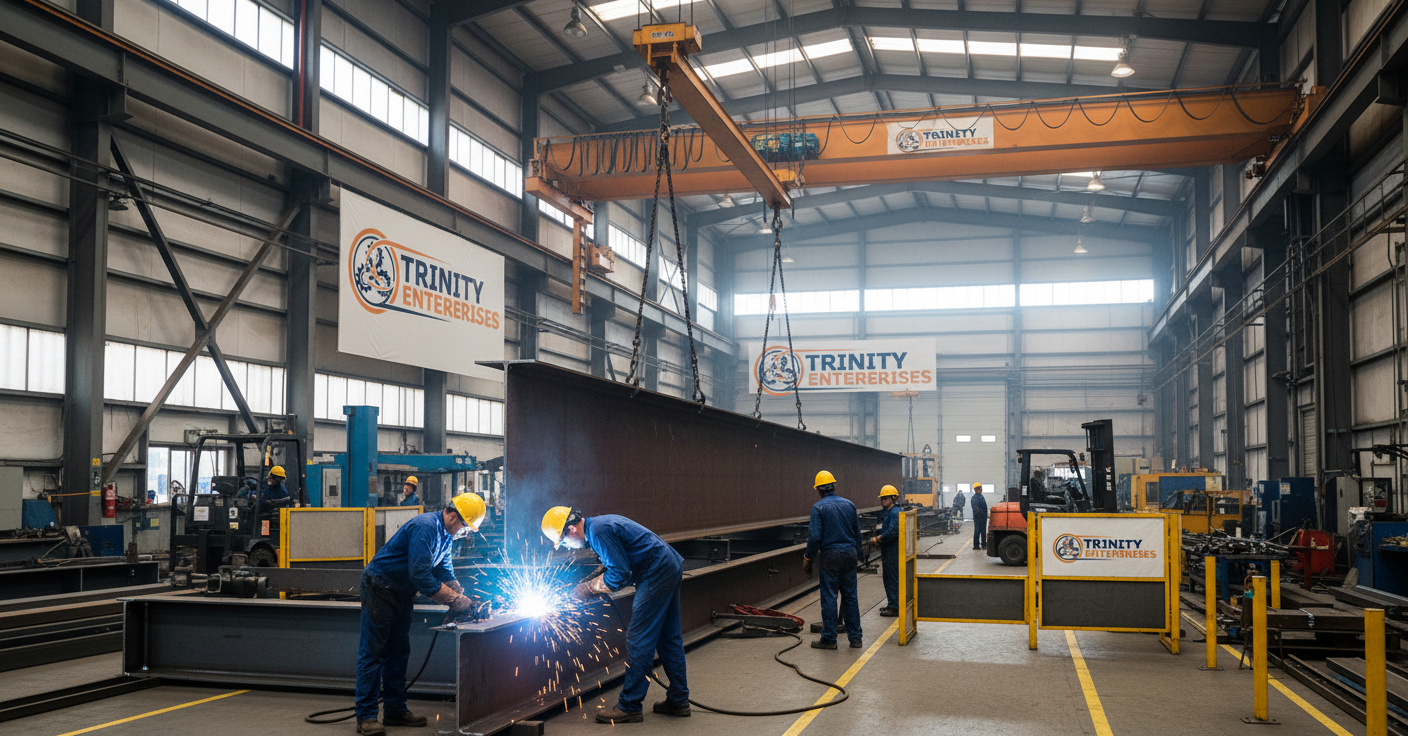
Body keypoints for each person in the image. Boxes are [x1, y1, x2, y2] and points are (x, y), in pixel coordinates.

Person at [542, 506, 689, 725]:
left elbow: (619, 576)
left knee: (639, 640)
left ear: (571, 529)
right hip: (668, 565)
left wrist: (588, 589)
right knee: (668, 638)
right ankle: (678, 700)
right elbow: (617, 561)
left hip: (656, 573)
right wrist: (591, 581)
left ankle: (630, 706)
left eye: (564, 542)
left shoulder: (598, 531)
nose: (568, 547)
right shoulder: (598, 525)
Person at [355, 493, 486, 736]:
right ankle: (366, 717)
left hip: (401, 592)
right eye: (465, 527)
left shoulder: (445, 535)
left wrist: (458, 591)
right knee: (374, 652)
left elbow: (443, 568)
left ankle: (394, 710)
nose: (464, 532)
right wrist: (455, 600)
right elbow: (420, 576)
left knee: (398, 651)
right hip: (379, 587)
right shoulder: (425, 527)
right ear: (453, 516)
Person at [803, 470, 864, 650]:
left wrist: (808, 556)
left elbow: (815, 537)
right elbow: (857, 534)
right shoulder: (850, 505)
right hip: (849, 554)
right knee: (850, 597)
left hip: (830, 556)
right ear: (833, 486)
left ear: (818, 490)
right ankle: (855, 639)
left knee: (829, 598)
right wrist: (860, 555)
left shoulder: (818, 508)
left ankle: (829, 639)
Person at [871, 485, 901, 617]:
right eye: (881, 499)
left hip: (893, 551)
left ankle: (895, 607)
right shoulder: (889, 512)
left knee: (892, 578)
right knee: (888, 578)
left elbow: (893, 531)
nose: (882, 501)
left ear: (894, 498)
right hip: (888, 551)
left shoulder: (895, 513)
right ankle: (891, 603)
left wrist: (878, 538)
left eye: (885, 498)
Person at [970, 482, 988, 551]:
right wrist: (982, 514)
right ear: (975, 489)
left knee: (983, 531)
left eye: (981, 488)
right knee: (977, 531)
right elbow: (976, 508)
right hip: (978, 517)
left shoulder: (981, 496)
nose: (981, 489)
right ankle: (976, 545)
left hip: (983, 517)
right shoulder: (975, 498)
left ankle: (984, 545)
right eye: (979, 488)